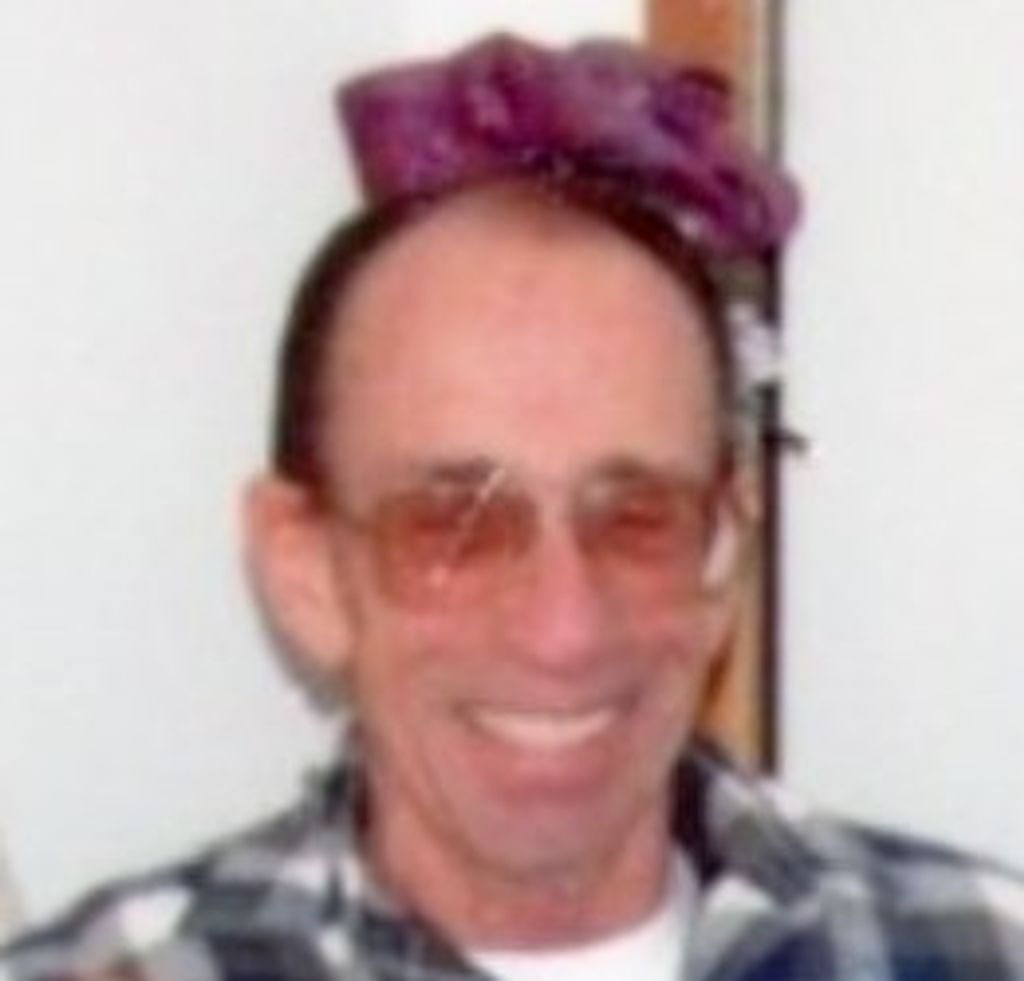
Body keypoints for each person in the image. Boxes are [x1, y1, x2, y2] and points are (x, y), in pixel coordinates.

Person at [3, 32, 1024, 981]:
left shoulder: (973, 949)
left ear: (727, 552)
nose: (561, 628)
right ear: (303, 571)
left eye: (635, 519)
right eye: (455, 527)